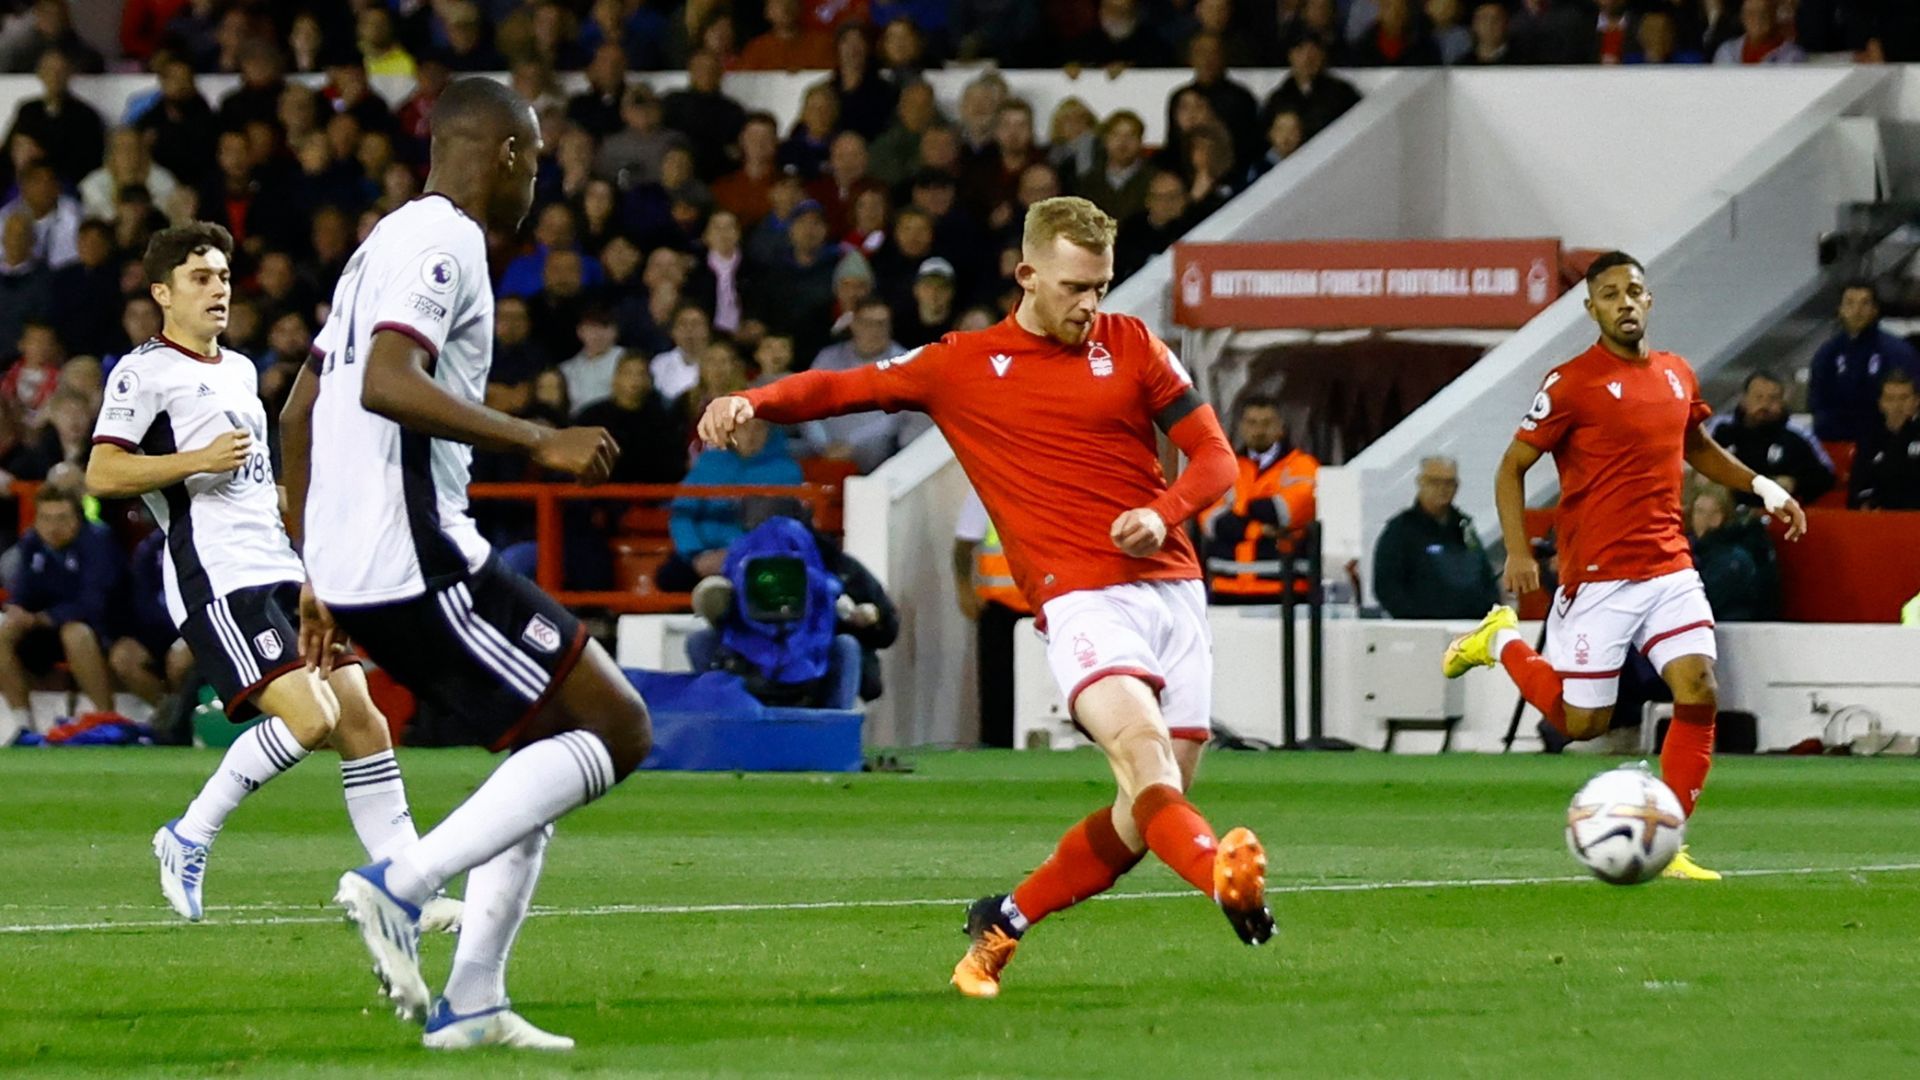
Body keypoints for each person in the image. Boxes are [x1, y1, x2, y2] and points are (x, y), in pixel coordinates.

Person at [699, 195, 1274, 1000]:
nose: (1090, 305)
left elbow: (1215, 459)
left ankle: (1004, 922)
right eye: (1076, 287)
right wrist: (753, 401)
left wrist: (1164, 509)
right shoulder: (962, 364)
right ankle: (1220, 873)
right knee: (1146, 764)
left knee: (1144, 814)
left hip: (1175, 594)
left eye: (1101, 286)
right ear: (1028, 275)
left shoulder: (1134, 345)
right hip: (1082, 600)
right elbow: (846, 388)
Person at [290, 78, 649, 1050]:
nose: (536, 181)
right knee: (618, 726)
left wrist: (315, 569)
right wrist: (539, 438)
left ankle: (476, 1000)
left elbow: (301, 409)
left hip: (369, 564)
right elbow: (385, 382)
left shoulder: (379, 246)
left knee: (546, 746)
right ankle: (397, 885)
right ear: (506, 156)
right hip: (419, 557)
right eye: (532, 161)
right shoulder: (443, 241)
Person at [86, 223, 457, 932]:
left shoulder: (239, 370)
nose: (218, 289)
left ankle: (409, 886)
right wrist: (191, 460)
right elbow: (104, 471)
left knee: (363, 720)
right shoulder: (143, 372)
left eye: (224, 276)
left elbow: (254, 474)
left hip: (280, 566)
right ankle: (189, 835)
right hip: (220, 576)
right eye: (200, 278)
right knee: (311, 718)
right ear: (162, 292)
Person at [1443, 251, 1808, 881]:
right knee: (1580, 724)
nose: (1625, 303)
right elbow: (1511, 469)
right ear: (1592, 309)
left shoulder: (1675, 374)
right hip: (1598, 577)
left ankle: (1671, 843)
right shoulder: (1570, 383)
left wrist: (1764, 489)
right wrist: (1520, 550)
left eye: (1634, 291)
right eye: (1609, 295)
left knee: (1699, 689)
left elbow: (1694, 446)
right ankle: (1498, 640)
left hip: (1669, 568)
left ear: (1649, 300)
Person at [0, 485, 121, 729]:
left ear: (78, 518)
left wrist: (43, 618)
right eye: (45, 519)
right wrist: (16, 610)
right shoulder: (32, 543)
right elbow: (22, 594)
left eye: (62, 518)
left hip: (105, 630)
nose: (53, 527)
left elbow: (94, 605)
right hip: (47, 631)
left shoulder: (98, 542)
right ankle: (23, 725)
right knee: (4, 631)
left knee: (75, 633)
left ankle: (106, 719)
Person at [1202, 395, 1318, 604]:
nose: (1259, 430)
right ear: (1241, 427)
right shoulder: (1223, 469)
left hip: (1284, 591)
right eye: (1251, 423)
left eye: (1267, 423)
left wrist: (1240, 510)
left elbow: (1283, 512)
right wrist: (1260, 530)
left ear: (1280, 428)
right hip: (1226, 588)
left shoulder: (1302, 466)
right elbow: (1213, 523)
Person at [1371, 455, 1499, 619]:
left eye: (1449, 483)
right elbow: (1386, 586)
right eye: (1435, 482)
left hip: (1470, 630)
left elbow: (1485, 577)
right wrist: (1414, 619)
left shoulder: (1464, 527)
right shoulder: (1400, 531)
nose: (1443, 489)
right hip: (1422, 630)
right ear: (1420, 482)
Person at [952, 485, 1029, 748]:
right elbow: (963, 545)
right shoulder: (986, 485)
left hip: (1047, 605)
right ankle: (996, 745)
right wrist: (964, 589)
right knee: (997, 689)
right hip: (1000, 607)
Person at [1704, 370, 1835, 508]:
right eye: (1758, 397)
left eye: (1772, 399)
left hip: (1772, 513)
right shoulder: (1722, 428)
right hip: (1723, 509)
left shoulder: (1797, 434)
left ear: (1782, 402)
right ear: (1744, 399)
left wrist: (1795, 482)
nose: (1765, 405)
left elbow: (1826, 476)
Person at [1808, 282, 1919, 442]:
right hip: (1835, 442)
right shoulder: (1826, 354)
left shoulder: (1898, 352)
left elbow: (1909, 401)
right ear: (1840, 310)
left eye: (1865, 303)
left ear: (1875, 309)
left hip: (1887, 441)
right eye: (1850, 303)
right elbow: (1817, 402)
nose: (1857, 310)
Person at [1848, 368, 1920, 510]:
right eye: (1890, 398)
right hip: (1881, 520)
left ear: (1916, 401)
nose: (1897, 405)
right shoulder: (1870, 439)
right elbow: (1859, 486)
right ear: (1881, 403)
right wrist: (1865, 504)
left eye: (1904, 398)